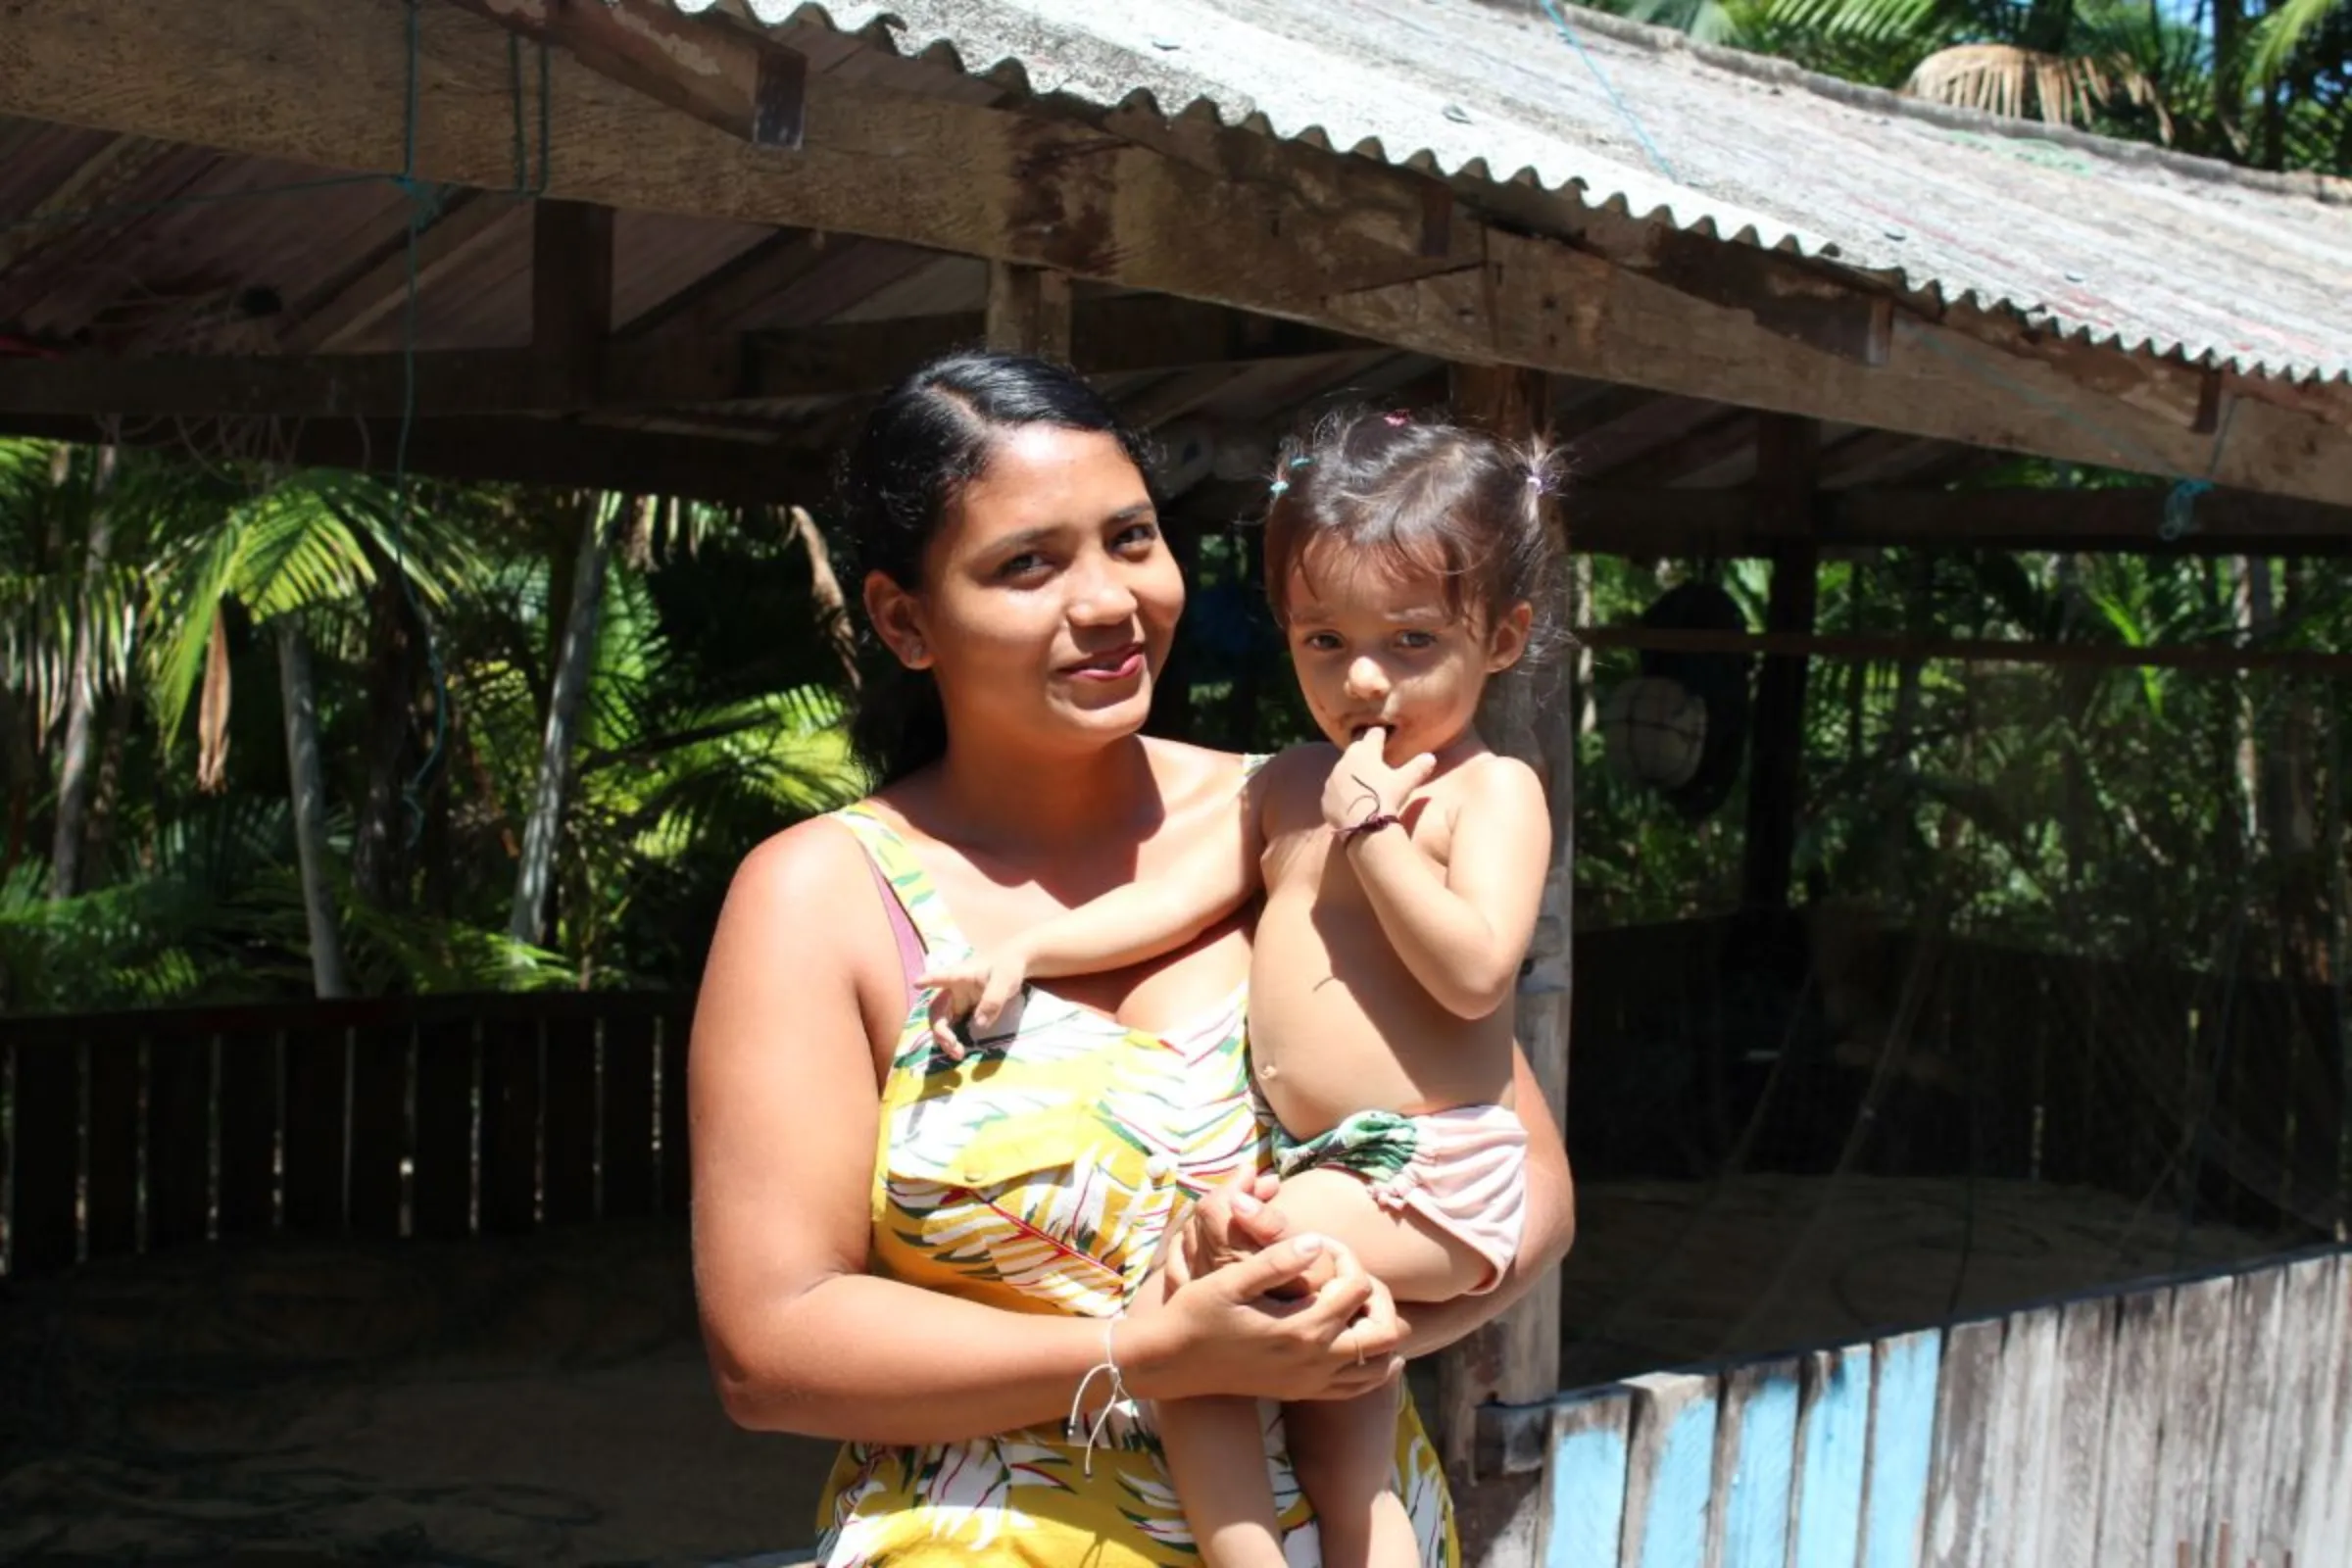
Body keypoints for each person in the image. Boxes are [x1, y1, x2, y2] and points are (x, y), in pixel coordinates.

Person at [689, 351, 1576, 1568]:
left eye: (1131, 538)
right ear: (904, 619)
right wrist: (1143, 1357)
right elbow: (769, 1345)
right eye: (1027, 563)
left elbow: (1523, 1182)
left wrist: (1355, 1325)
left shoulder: (1301, 810)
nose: (1106, 599)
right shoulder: (823, 896)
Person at [921, 407, 1559, 1568]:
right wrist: (1031, 951)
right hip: (1328, 1170)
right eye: (1325, 642)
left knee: (1197, 1312)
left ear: (1502, 637)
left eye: (1411, 643)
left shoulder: (1488, 793)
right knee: (1344, 1435)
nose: (1365, 678)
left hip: (1430, 1166)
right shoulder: (1288, 783)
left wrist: (1375, 839)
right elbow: (1172, 904)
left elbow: (1475, 973)